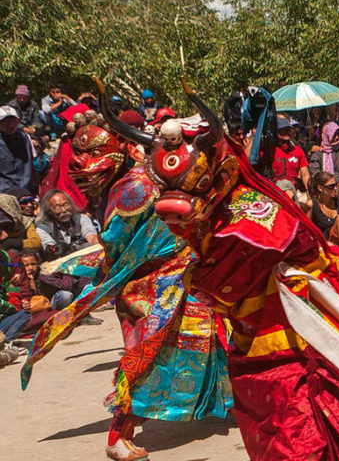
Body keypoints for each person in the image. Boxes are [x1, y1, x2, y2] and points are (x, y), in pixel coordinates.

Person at [138, 86, 339, 460]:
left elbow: (271, 258)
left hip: (296, 344)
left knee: (316, 430)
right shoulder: (218, 216)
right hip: (254, 348)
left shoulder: (253, 215)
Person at [23, 101, 233, 460]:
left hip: (179, 276)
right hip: (153, 288)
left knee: (216, 340)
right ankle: (118, 436)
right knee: (147, 356)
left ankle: (234, 404)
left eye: (94, 154)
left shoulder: (137, 179)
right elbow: (117, 243)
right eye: (80, 155)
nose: (83, 166)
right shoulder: (134, 185)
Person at [34, 189, 100, 260]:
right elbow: (53, 250)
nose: (64, 210)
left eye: (66, 205)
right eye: (58, 207)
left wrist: (97, 244)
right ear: (49, 211)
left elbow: (91, 236)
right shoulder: (43, 228)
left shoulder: (81, 218)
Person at [0, 106, 36, 194]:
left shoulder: (24, 138)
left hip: (26, 189)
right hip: (5, 191)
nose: (11, 125)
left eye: (13, 121)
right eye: (6, 122)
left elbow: (30, 166)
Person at [270, 116, 311, 191]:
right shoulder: (270, 150)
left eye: (288, 130)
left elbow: (305, 175)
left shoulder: (298, 150)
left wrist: (309, 194)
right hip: (275, 191)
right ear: (276, 132)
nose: (287, 132)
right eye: (283, 130)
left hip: (294, 191)